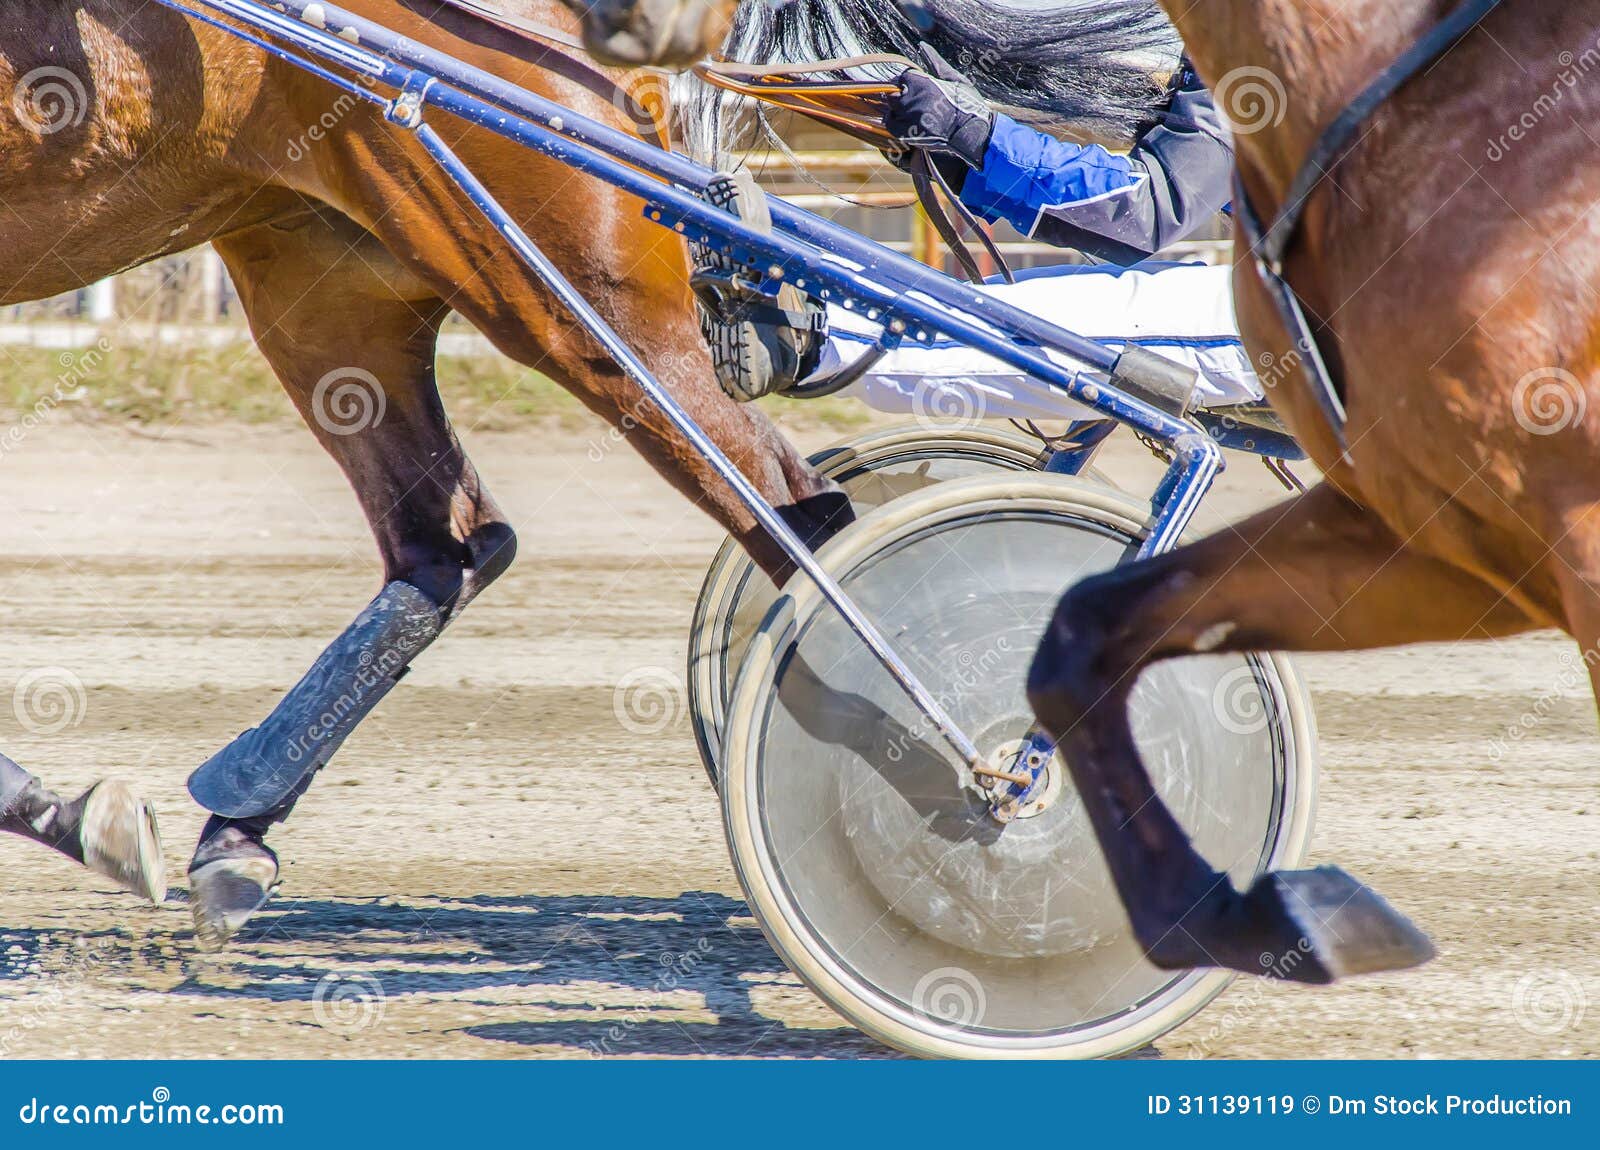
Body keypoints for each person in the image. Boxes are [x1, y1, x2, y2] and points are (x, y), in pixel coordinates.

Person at [696, 55, 1265, 417]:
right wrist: (962, 153)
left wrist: (970, 133)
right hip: (1308, 292)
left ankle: (813, 339)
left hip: (1323, 320)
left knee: (1046, 327)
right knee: (1038, 305)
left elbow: (1146, 211)